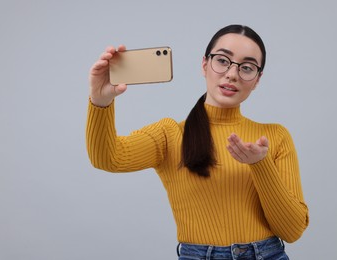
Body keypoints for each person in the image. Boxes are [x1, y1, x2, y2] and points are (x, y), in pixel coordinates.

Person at [86, 24, 309, 260]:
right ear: (204, 64)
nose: (232, 74)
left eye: (246, 67)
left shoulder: (275, 137)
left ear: (257, 79)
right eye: (223, 60)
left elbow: (292, 230)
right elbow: (107, 158)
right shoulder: (169, 134)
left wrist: (261, 164)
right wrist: (100, 101)